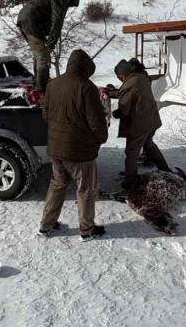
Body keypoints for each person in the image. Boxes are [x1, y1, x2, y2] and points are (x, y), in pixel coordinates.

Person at [39, 49, 109, 241]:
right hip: (80, 151)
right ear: (86, 68)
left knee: (57, 185)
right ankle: (86, 230)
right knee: (86, 189)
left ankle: (46, 225)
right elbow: (96, 122)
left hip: (56, 149)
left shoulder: (52, 84)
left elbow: (45, 115)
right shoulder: (86, 87)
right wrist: (101, 138)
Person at [112, 60, 170, 190]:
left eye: (118, 77)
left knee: (131, 152)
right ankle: (165, 169)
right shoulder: (140, 77)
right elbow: (129, 93)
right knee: (149, 144)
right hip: (151, 121)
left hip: (139, 125)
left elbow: (124, 109)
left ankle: (130, 181)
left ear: (121, 75)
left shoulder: (129, 84)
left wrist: (116, 113)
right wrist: (113, 92)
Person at [16, 0, 81, 93]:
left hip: (26, 21)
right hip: (32, 22)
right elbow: (57, 21)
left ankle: (39, 84)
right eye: (70, 5)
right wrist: (51, 44)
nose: (68, 7)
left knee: (38, 55)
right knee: (43, 59)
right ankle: (41, 92)